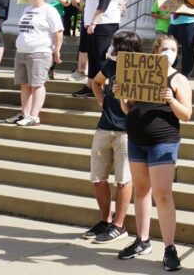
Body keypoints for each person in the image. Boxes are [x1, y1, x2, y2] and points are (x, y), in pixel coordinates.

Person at [113, 34, 193, 270]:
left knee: (163, 194)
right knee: (141, 191)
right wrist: (121, 96)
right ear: (156, 52)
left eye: (174, 49)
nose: (170, 52)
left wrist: (170, 100)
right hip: (136, 139)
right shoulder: (143, 73)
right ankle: (142, 240)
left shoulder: (178, 79)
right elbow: (129, 109)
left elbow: (186, 114)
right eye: (165, 48)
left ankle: (169, 248)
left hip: (163, 141)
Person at [85, 30, 144, 244]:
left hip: (127, 131)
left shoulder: (139, 70)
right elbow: (96, 83)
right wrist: (102, 102)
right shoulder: (110, 66)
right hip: (104, 127)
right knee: (98, 177)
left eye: (114, 44)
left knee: (123, 179)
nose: (111, 47)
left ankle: (119, 225)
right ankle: (105, 220)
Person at [6, 0, 64, 126]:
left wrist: (56, 50)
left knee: (37, 84)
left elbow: (58, 32)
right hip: (22, 52)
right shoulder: (27, 9)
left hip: (39, 52)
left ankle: (34, 116)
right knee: (24, 85)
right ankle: (24, 114)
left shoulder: (49, 10)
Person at [76, 0, 126, 97]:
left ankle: (102, 86)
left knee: (99, 56)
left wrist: (94, 22)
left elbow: (104, 3)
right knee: (92, 56)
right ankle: (90, 85)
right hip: (93, 24)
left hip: (104, 23)